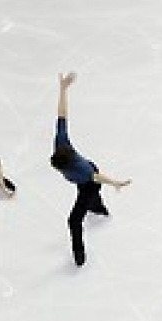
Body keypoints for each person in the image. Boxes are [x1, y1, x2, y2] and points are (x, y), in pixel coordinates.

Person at [51, 72, 131, 266]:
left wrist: (115, 183)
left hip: (89, 183)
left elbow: (96, 177)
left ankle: (79, 254)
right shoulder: (61, 143)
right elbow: (62, 115)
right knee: (93, 204)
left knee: (74, 220)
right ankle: (99, 209)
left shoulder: (80, 169)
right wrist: (63, 89)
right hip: (86, 181)